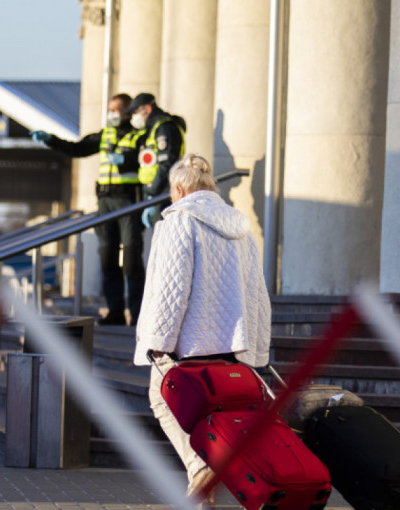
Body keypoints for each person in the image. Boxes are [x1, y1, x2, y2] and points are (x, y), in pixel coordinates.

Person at [133, 153, 271, 504]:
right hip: (232, 342)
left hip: (187, 343)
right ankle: (213, 471)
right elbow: (257, 289)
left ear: (178, 188)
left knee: (161, 399)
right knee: (217, 409)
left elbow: (170, 288)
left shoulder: (177, 223)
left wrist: (158, 341)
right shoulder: (241, 226)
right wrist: (255, 342)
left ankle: (199, 470)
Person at [30, 93, 146, 326]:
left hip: (128, 201)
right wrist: (50, 139)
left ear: (126, 112)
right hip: (105, 202)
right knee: (107, 259)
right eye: (110, 109)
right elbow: (77, 149)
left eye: (115, 110)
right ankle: (115, 311)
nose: (111, 114)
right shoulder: (105, 135)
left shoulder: (139, 137)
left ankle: (137, 313)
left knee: (132, 261)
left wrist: (126, 161)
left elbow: (147, 162)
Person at [125, 93, 186, 229]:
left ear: (147, 108)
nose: (134, 117)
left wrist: (153, 194)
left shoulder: (164, 127)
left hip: (163, 192)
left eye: (136, 112)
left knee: (165, 239)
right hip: (155, 191)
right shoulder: (151, 128)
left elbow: (166, 163)